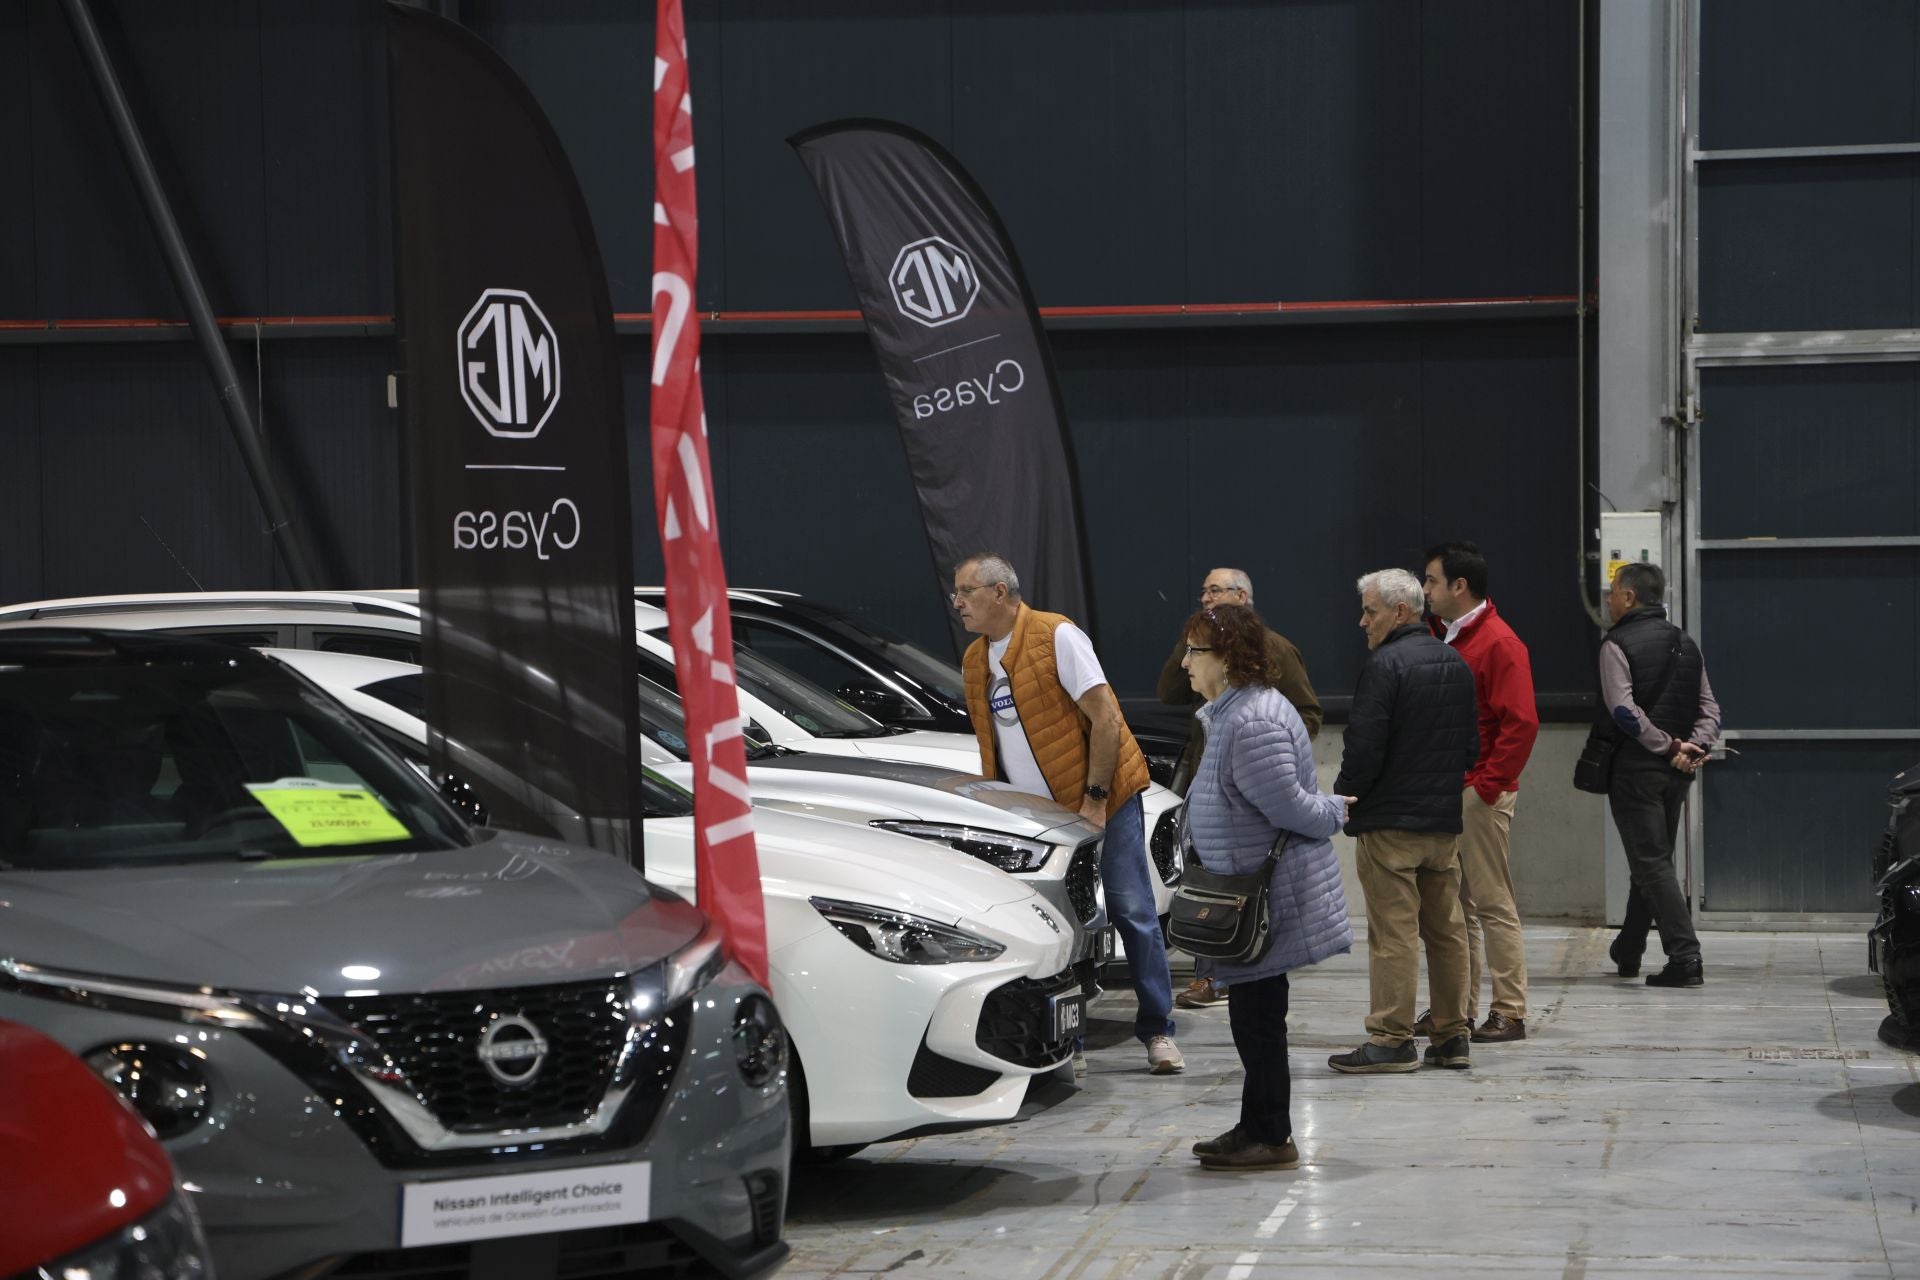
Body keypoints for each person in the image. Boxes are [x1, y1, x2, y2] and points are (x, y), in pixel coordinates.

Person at [952, 553, 1183, 1073]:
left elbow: (1105, 717)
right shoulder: (974, 661)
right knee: (1058, 925)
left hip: (1104, 800)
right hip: (1035, 820)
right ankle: (1067, 1042)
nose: (958, 603)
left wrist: (1096, 799)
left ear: (1000, 592)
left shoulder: (1057, 636)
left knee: (1132, 911)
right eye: (956, 594)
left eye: (966, 592)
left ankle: (1158, 1031)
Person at [1177, 603, 1350, 1170]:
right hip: (1245, 888)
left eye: (1195, 653)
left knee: (1258, 1020)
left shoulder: (1251, 721)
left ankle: (1272, 1135)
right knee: (1253, 1017)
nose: (1185, 664)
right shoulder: (1229, 713)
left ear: (1226, 660)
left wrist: (1332, 811)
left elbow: (1290, 806)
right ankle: (1257, 1123)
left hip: (1264, 893)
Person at [1327, 568, 1479, 1074]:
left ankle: (1392, 1039)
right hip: (1442, 824)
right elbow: (1470, 747)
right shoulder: (1455, 662)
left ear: (1400, 612)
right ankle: (1453, 1035)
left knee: (1393, 934)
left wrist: (1345, 794)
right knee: (1447, 931)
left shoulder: (1385, 665)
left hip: (1391, 824)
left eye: (1370, 611)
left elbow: (1364, 746)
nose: (1361, 621)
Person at [1155, 567, 1323, 1011]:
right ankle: (1213, 972)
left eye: (1216, 591)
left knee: (1237, 882)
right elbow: (1168, 693)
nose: (1206, 597)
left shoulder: (1276, 651)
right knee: (1205, 879)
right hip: (1205, 776)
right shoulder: (1199, 654)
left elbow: (1308, 713)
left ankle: (1236, 968)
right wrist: (1191, 645)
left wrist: (1272, 756)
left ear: (1242, 596)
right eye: (1203, 590)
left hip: (1249, 785)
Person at [1416, 541, 1539, 1044]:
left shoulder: (1499, 643)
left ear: (1458, 587)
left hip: (1477, 793)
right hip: (1452, 789)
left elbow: (1522, 722)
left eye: (1430, 581)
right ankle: (1457, 1009)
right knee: (1456, 908)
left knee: (1491, 904)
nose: (1424, 590)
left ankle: (1509, 1010)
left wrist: (1488, 787)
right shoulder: (1449, 638)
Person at [1596, 562, 1721, 988]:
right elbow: (1710, 709)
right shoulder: (1686, 643)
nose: (1609, 599)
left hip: (1638, 772)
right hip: (1677, 773)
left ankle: (1685, 957)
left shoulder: (1616, 644)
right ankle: (1628, 950)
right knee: (1650, 862)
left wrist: (1667, 746)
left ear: (1629, 597)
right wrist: (1694, 747)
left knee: (1652, 863)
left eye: (1613, 591)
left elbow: (1623, 710)